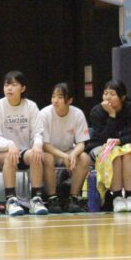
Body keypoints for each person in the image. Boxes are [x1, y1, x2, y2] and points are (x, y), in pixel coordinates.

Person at [0, 71, 58, 216]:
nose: (9, 88)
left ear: (23, 88)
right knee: (10, 156)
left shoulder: (31, 106)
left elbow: (38, 133)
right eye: (6, 85)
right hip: (1, 153)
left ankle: (36, 199)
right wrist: (9, 145)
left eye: (14, 85)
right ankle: (11, 200)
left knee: (36, 154)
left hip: (24, 151)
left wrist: (37, 144)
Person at [85, 80, 131, 213]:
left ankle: (130, 197)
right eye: (105, 93)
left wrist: (119, 140)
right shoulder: (96, 111)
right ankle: (117, 197)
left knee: (130, 152)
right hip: (100, 147)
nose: (108, 97)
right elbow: (102, 138)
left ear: (122, 97)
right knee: (115, 153)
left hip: (125, 145)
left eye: (112, 94)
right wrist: (112, 116)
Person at [40, 83, 92, 213]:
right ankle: (52, 198)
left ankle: (73, 198)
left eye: (59, 97)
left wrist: (73, 154)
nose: (55, 100)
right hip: (50, 151)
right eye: (53, 96)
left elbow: (81, 143)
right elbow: (44, 145)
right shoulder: (44, 114)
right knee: (47, 158)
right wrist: (64, 156)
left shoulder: (77, 114)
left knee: (84, 158)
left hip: (68, 151)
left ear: (69, 100)